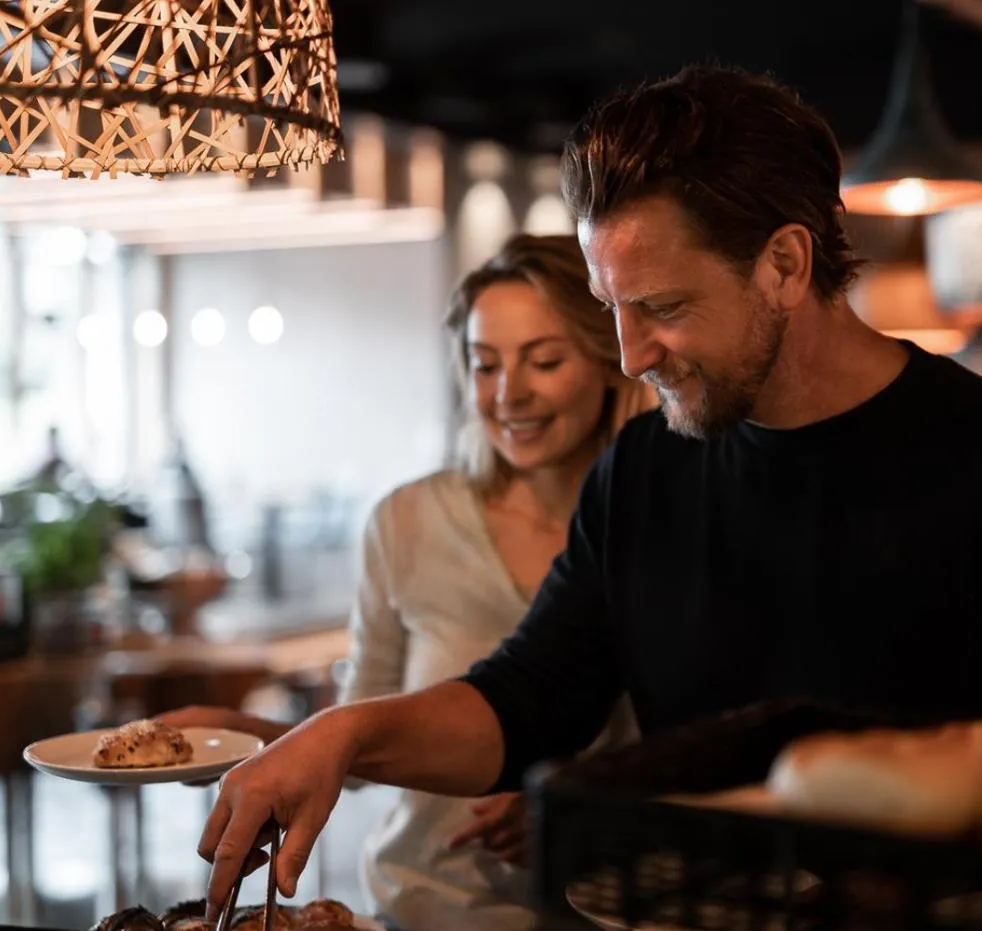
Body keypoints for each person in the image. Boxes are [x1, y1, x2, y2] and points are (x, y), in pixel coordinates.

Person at [195, 65, 982, 915]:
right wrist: (341, 734)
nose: (631, 355)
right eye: (611, 310)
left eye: (664, 307)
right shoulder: (645, 471)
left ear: (784, 262)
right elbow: (526, 704)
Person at [160, 233, 648, 930]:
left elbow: (710, 738)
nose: (509, 393)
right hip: (430, 908)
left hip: (612, 913)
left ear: (610, 360)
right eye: (483, 365)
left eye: (544, 360)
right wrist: (242, 734)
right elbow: (363, 747)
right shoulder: (409, 521)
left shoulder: (655, 520)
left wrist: (585, 805)